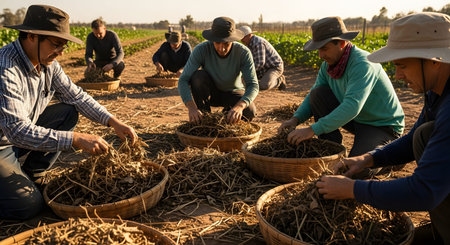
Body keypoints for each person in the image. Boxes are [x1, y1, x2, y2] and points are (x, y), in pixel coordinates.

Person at [316, 12, 450, 244]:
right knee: (422, 134)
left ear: (434, 61)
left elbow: (423, 190)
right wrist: (367, 159)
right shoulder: (437, 91)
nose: (397, 75)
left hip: (424, 185)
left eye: (402, 65)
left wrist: (354, 189)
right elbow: (410, 142)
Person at [0, 5, 137, 220]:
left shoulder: (48, 64)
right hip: (4, 142)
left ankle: (32, 174)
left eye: (64, 45)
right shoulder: (5, 68)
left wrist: (113, 122)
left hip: (21, 131)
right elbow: (16, 131)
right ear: (31, 36)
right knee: (28, 206)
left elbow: (77, 96)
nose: (61, 52)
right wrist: (75, 139)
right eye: (56, 44)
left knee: (67, 112)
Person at [278, 16, 405, 177]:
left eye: (324, 48)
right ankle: (330, 148)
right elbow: (314, 93)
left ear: (342, 43)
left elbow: (353, 105)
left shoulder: (362, 64)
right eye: (318, 49)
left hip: (381, 125)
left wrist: (312, 129)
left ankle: (394, 155)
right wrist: (295, 119)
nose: (320, 55)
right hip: (358, 120)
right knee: (318, 94)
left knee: (355, 170)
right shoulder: (328, 66)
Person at [178, 17, 259, 124]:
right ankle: (204, 116)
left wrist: (239, 107)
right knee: (198, 77)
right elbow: (183, 80)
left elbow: (253, 85)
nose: (222, 48)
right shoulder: (201, 49)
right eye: (217, 43)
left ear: (233, 39)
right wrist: (192, 108)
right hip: (211, 93)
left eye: (226, 43)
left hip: (233, 93)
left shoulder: (243, 53)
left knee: (250, 112)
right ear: (212, 39)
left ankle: (227, 114)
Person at [239, 25, 286, 90]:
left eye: (243, 37)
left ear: (249, 35)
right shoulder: (248, 44)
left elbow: (260, 63)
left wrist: (247, 72)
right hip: (263, 69)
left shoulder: (258, 43)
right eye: (241, 37)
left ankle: (279, 80)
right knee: (244, 83)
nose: (242, 39)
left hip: (274, 67)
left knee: (264, 85)